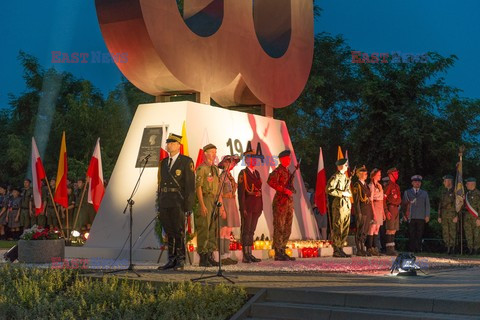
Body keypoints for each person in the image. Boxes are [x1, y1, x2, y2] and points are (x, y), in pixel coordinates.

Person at [156, 133, 195, 270]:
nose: (169, 145)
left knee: (179, 232)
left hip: (178, 201)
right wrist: (159, 203)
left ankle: (180, 260)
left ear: (179, 145)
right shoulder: (163, 163)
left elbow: (190, 186)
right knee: (169, 232)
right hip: (165, 201)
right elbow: (160, 185)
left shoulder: (186, 161)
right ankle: (171, 260)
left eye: (172, 143)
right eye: (168, 143)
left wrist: (188, 205)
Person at [195, 143, 224, 267]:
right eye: (211, 152)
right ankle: (203, 257)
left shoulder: (216, 169)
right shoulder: (202, 169)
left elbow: (218, 188)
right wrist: (202, 205)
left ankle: (210, 255)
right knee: (204, 228)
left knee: (213, 229)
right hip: (205, 199)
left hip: (214, 200)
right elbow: (198, 188)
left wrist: (221, 205)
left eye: (215, 152)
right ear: (205, 154)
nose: (214, 154)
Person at [267, 149, 296, 261]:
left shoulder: (288, 172)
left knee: (287, 227)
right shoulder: (278, 171)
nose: (289, 160)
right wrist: (283, 190)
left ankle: (283, 249)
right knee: (279, 226)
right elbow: (270, 181)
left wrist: (291, 190)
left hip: (288, 202)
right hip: (280, 202)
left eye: (289, 158)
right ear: (282, 159)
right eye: (287, 158)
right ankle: (278, 252)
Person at [238, 150, 263, 263]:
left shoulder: (256, 173)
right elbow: (241, 193)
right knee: (246, 230)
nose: (255, 160)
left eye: (255, 158)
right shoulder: (243, 173)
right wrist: (242, 208)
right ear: (247, 160)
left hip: (256, 206)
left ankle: (250, 253)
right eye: (252, 158)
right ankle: (245, 254)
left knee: (252, 231)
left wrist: (261, 206)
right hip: (248, 206)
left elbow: (259, 190)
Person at [218, 155, 241, 265]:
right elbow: (219, 193)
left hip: (231, 202)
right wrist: (221, 208)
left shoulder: (230, 176)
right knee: (223, 230)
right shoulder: (222, 176)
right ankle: (221, 256)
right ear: (224, 164)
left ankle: (226, 255)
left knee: (228, 231)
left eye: (232, 163)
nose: (231, 164)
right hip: (225, 203)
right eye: (229, 162)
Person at [326, 158, 352, 258]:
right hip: (339, 204)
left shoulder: (345, 177)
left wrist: (347, 193)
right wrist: (342, 193)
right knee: (338, 227)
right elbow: (328, 189)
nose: (347, 167)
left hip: (345, 204)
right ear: (340, 166)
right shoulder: (336, 176)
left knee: (345, 227)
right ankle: (336, 249)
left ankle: (341, 247)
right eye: (345, 165)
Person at [402, 175, 430, 253]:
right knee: (411, 233)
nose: (417, 183)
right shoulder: (407, 192)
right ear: (412, 183)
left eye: (419, 182)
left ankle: (418, 249)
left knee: (419, 233)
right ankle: (411, 249)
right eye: (415, 182)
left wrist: (427, 215)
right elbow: (404, 205)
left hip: (421, 216)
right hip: (411, 216)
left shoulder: (424, 193)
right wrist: (404, 215)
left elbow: (427, 205)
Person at [352, 166, 372, 256]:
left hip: (367, 210)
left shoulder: (365, 184)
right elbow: (356, 201)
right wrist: (358, 212)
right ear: (360, 174)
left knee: (365, 230)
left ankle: (362, 247)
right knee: (360, 230)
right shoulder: (357, 185)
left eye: (366, 173)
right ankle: (359, 249)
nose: (366, 175)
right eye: (364, 173)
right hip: (361, 210)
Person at [383, 168, 402, 256]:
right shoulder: (389, 186)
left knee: (394, 229)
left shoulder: (396, 186)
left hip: (396, 208)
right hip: (390, 207)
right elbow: (384, 198)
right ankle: (388, 248)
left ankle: (392, 247)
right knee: (389, 229)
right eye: (395, 173)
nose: (397, 175)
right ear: (391, 175)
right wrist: (386, 211)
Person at [438, 175, 458, 254]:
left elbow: (458, 204)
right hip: (444, 215)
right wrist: (439, 216)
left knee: (453, 232)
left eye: (445, 181)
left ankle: (453, 248)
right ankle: (447, 248)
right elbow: (440, 205)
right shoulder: (443, 191)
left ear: (449, 181)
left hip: (452, 215)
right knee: (445, 232)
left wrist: (457, 215)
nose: (444, 183)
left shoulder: (456, 191)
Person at [367, 168, 384, 256]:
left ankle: (375, 247)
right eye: (378, 175)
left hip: (379, 207)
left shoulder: (379, 185)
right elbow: (371, 200)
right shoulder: (371, 186)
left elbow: (382, 198)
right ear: (374, 175)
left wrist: (383, 212)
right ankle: (369, 247)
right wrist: (373, 213)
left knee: (377, 229)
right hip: (374, 206)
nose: (380, 176)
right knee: (372, 228)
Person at [463, 177, 480, 255]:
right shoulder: (466, 194)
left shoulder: (478, 194)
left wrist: (479, 218)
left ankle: (476, 250)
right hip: (467, 217)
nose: (466, 185)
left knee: (476, 234)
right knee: (468, 233)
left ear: (472, 184)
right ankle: (470, 249)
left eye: (467, 183)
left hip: (475, 217)